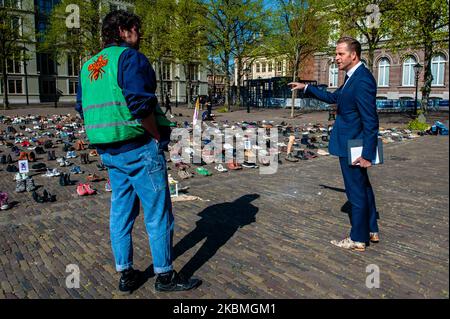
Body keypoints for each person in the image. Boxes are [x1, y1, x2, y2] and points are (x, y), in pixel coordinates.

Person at [75, 10, 200, 293]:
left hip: (109, 152)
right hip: (139, 148)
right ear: (123, 30)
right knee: (158, 213)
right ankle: (165, 276)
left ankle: (126, 273)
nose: (139, 35)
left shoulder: (87, 67)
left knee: (121, 212)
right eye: (136, 29)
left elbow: (83, 108)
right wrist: (156, 136)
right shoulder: (129, 58)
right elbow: (140, 105)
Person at [289, 36, 380, 252]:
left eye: (340, 54)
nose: (336, 58)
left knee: (355, 192)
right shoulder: (352, 77)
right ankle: (371, 229)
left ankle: (357, 238)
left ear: (353, 55)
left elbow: (371, 120)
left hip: (353, 145)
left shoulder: (362, 80)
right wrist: (307, 88)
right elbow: (334, 98)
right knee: (363, 188)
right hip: (352, 143)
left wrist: (367, 153)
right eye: (336, 54)